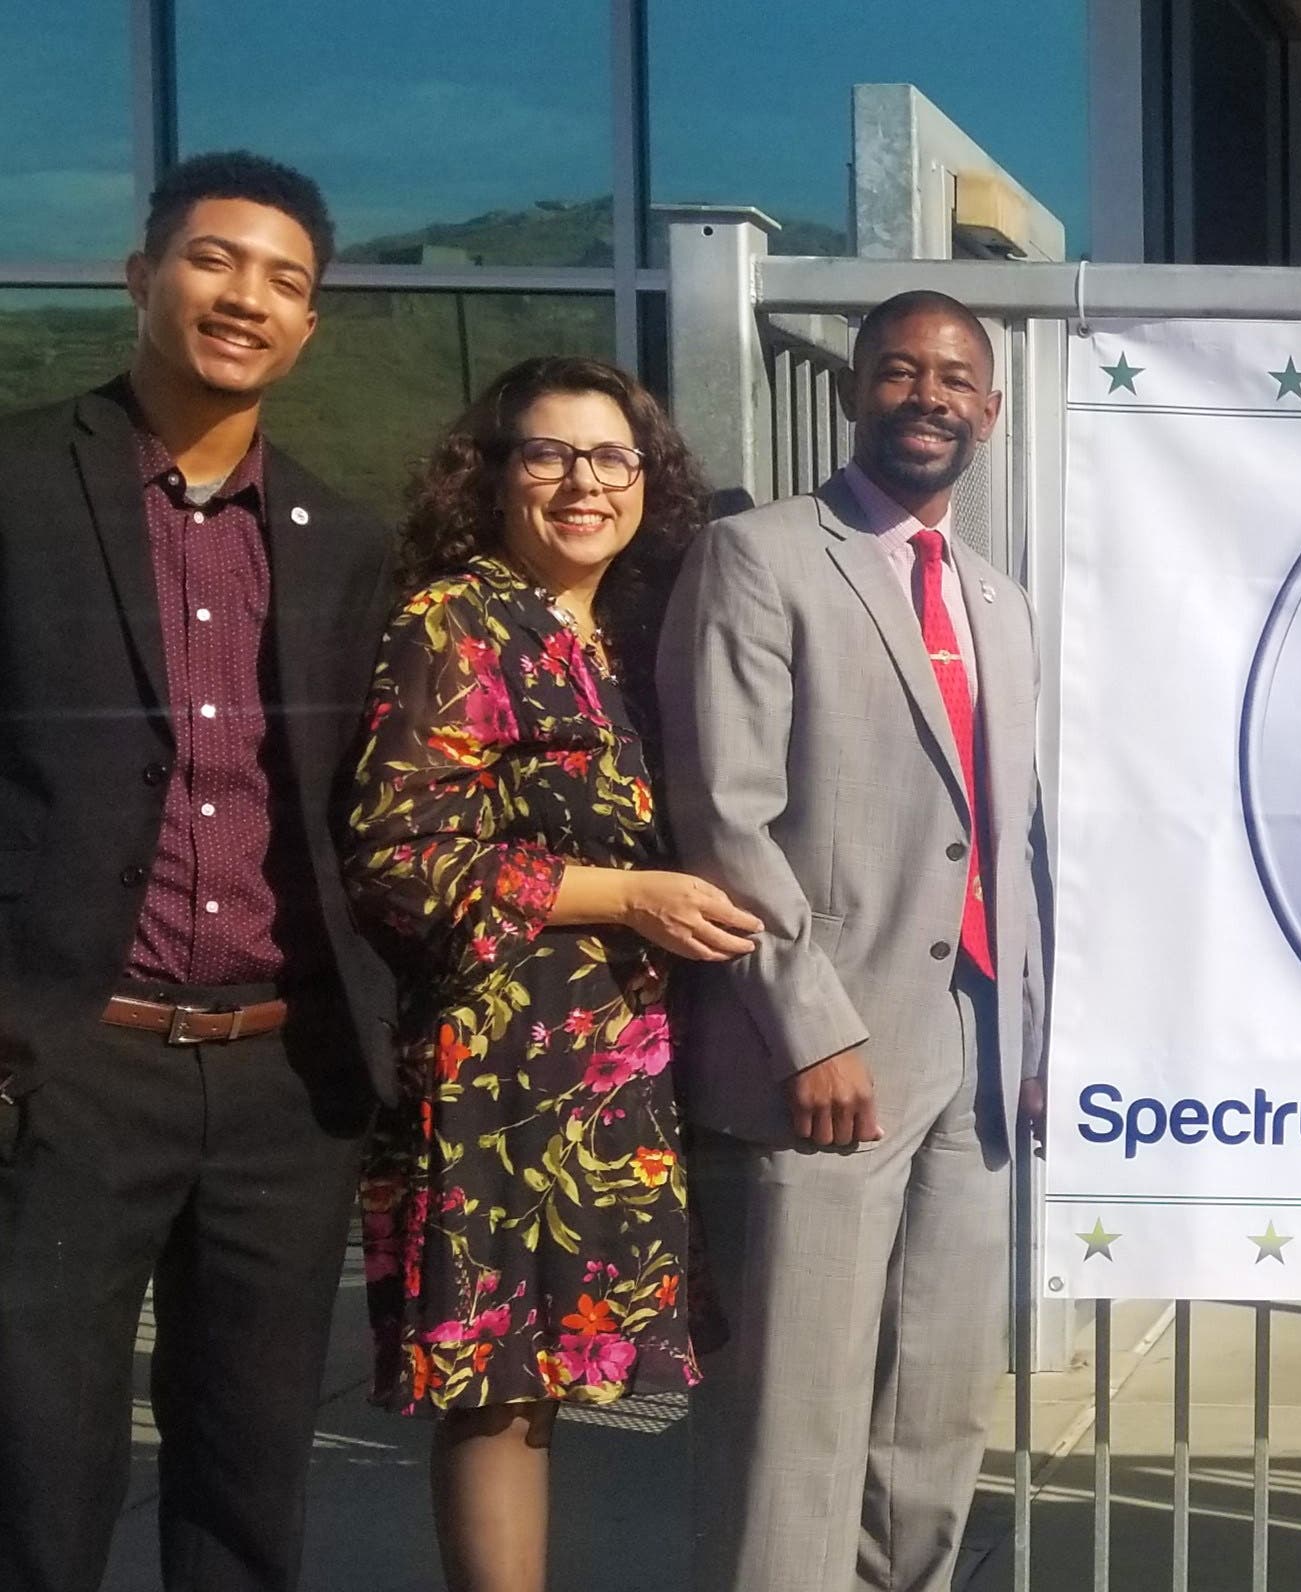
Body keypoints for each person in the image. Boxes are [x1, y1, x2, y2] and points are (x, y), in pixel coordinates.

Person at [0, 152, 398, 1592]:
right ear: (141, 275)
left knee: (247, 1477)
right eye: (215, 260)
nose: (247, 298)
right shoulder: (19, 483)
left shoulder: (347, 540)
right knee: (36, 1471)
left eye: (285, 281)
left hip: (285, 1076)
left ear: (309, 326)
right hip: (68, 1064)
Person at [342, 355, 761, 1592]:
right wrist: (627, 895)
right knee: (501, 1389)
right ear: (492, 474)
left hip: (618, 1068)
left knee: (559, 1377)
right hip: (500, 1064)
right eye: (549, 453)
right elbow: (400, 855)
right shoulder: (457, 619)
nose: (585, 482)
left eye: (612, 456)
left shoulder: (625, 630)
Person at [663, 289, 1049, 1592]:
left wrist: (1030, 1035)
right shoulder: (760, 557)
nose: (927, 397)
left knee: (933, 1410)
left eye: (953, 378)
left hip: (974, 1051)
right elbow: (722, 818)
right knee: (798, 1416)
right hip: (824, 1050)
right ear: (852, 391)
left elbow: (1012, 837)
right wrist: (809, 1025)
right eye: (897, 371)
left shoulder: (998, 601)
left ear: (989, 410)